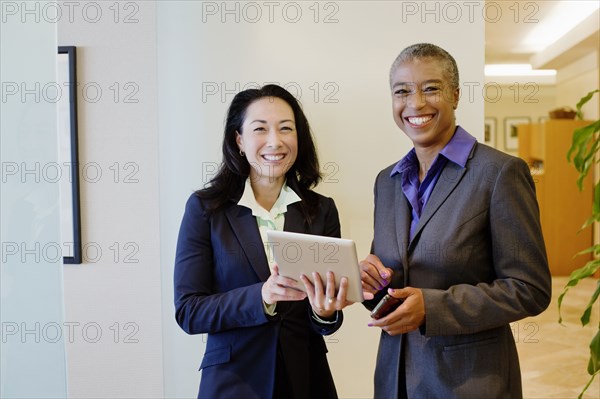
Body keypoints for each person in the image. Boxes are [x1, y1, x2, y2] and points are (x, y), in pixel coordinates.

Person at [360, 43, 552, 398]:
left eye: (430, 88)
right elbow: (391, 282)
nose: (415, 103)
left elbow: (531, 289)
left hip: (468, 382)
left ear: (456, 95)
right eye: (402, 91)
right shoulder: (386, 182)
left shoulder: (499, 174)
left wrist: (433, 307)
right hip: (395, 379)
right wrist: (370, 282)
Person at [174, 84, 349, 399]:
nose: (275, 141)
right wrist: (263, 296)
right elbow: (189, 311)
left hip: (306, 379)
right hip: (233, 382)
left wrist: (324, 312)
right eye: (260, 129)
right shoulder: (205, 209)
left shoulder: (321, 210)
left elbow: (326, 319)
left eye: (286, 128)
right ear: (239, 140)